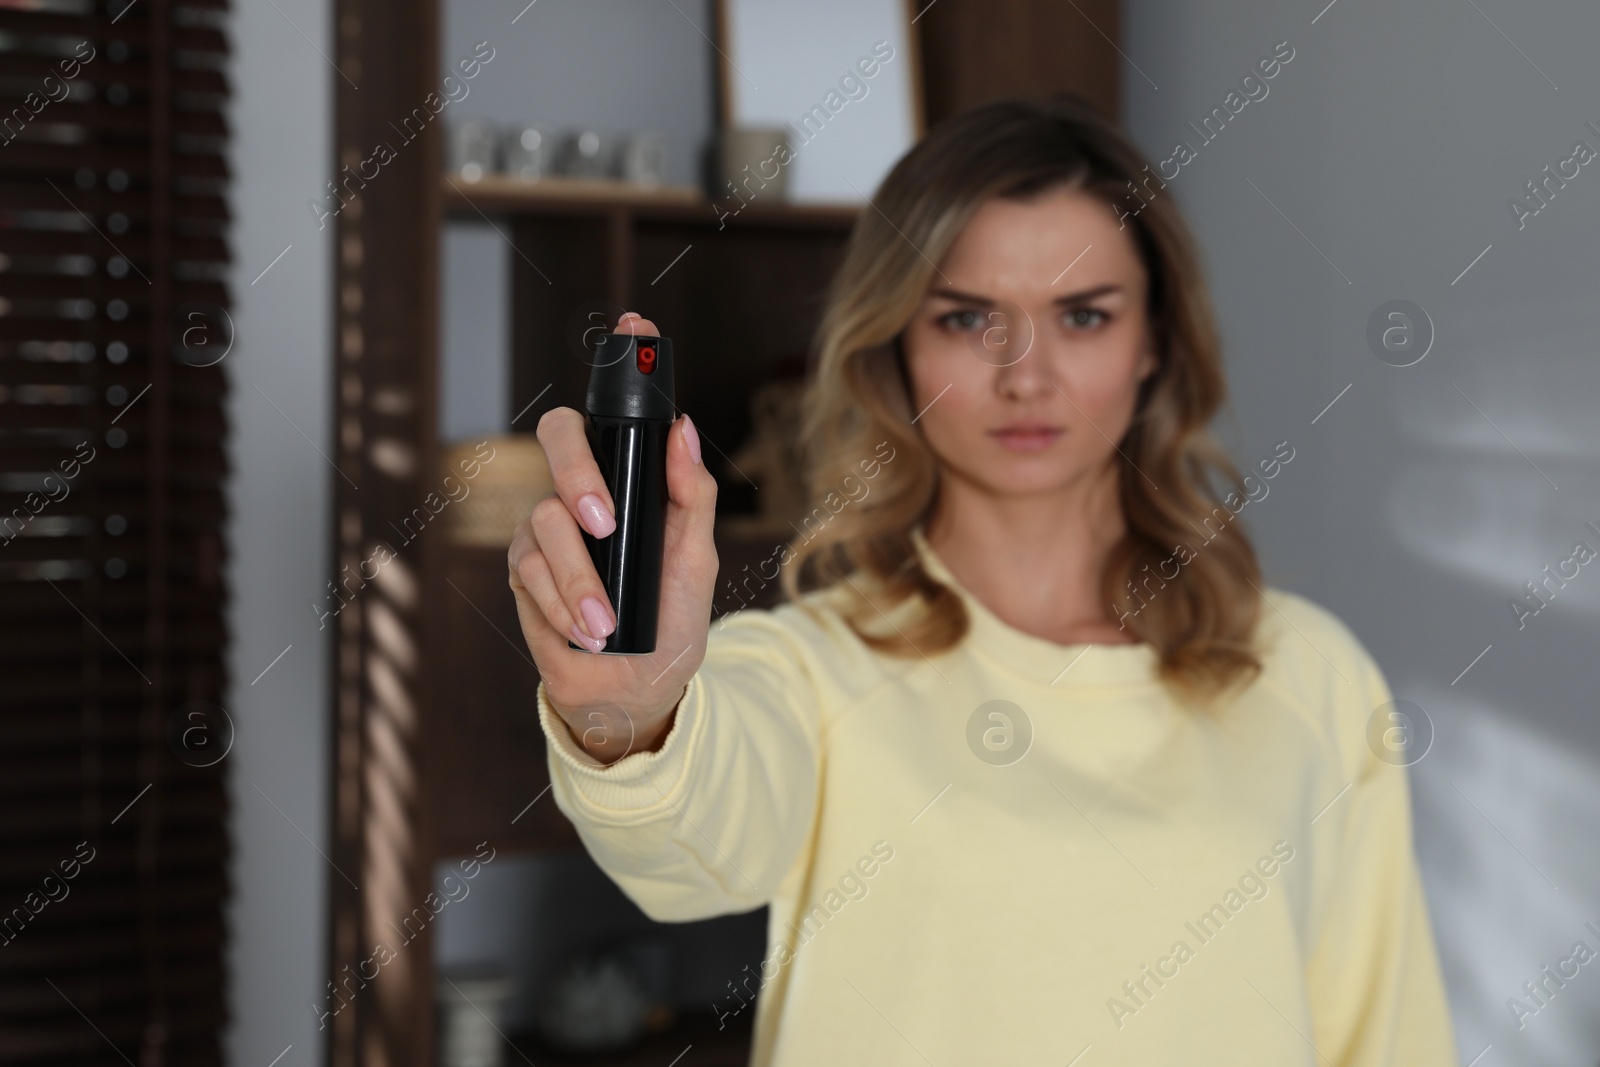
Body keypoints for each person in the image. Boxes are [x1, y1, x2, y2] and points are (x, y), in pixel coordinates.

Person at [508, 95, 1456, 1066]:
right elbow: (689, 837)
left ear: (1155, 344)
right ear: (898, 347)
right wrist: (633, 720)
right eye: (968, 318)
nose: (1024, 373)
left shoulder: (1310, 674)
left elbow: (1387, 1037)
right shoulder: (806, 670)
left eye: (1082, 315)